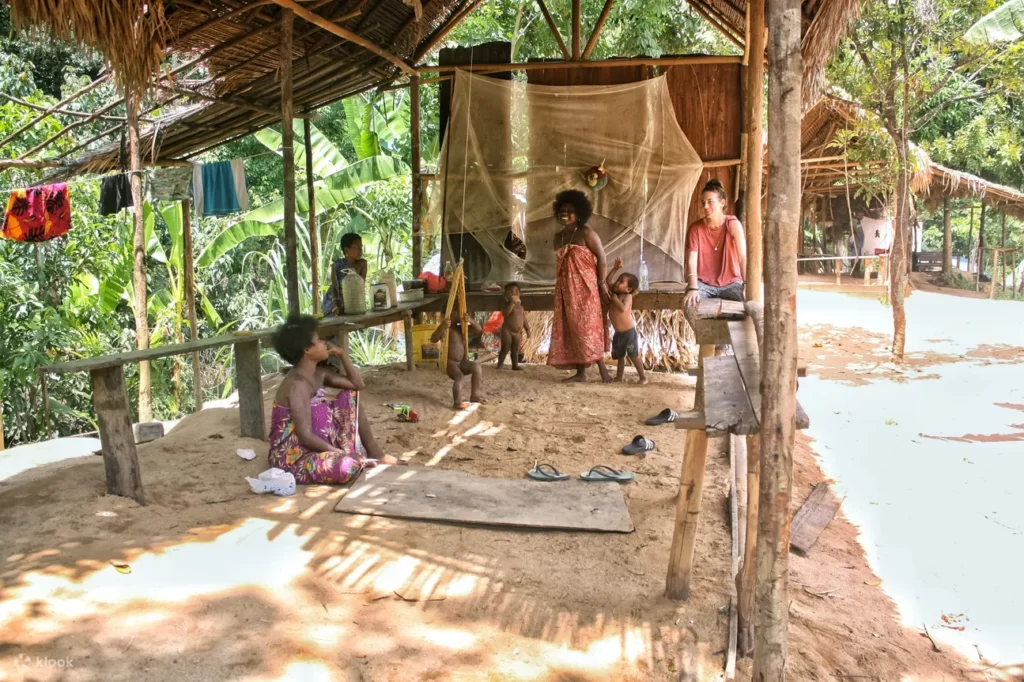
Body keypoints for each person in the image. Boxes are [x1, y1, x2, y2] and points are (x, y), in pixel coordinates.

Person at [268, 314, 396, 485]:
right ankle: (352, 458)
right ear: (307, 349)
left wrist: (342, 354)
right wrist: (342, 454)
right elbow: (305, 436)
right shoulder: (296, 385)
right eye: (319, 339)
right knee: (345, 467)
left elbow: (357, 385)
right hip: (295, 456)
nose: (325, 343)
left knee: (350, 396)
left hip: (317, 449)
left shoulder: (318, 374)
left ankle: (376, 454)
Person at [548, 190, 612, 383]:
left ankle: (603, 371)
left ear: (579, 214)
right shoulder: (557, 237)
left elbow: (601, 258)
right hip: (566, 290)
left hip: (587, 289)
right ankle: (581, 373)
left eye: (570, 210)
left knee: (590, 326)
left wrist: (601, 283)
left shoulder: (586, 233)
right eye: (562, 210)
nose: (565, 213)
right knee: (572, 328)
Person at [684, 178, 747, 308]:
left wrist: (747, 284)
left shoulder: (733, 224)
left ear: (722, 203)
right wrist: (693, 288)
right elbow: (691, 261)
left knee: (747, 305)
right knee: (689, 304)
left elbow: (743, 257)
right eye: (703, 202)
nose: (705, 206)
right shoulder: (695, 228)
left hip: (732, 284)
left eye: (710, 202)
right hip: (704, 284)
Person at [606, 257, 647, 384]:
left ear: (629, 289)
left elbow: (623, 309)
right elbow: (607, 281)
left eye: (621, 282)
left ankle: (643, 377)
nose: (617, 283)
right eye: (618, 280)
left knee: (633, 355)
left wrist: (614, 299)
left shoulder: (627, 296)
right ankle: (619, 377)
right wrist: (615, 268)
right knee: (620, 356)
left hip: (629, 333)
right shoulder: (616, 293)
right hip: (618, 333)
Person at [431, 315, 485, 408]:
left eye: (456, 312)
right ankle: (457, 402)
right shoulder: (445, 329)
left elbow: (479, 330)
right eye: (452, 313)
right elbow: (433, 339)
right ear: (446, 315)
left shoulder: (462, 328)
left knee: (477, 367)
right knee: (459, 377)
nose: (454, 316)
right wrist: (442, 327)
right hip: (450, 362)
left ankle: (474, 395)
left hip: (462, 361)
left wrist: (471, 320)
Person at [323, 233, 369, 315]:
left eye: (361, 246)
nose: (360, 250)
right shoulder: (336, 265)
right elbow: (334, 287)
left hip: (351, 301)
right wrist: (336, 306)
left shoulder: (362, 264)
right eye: (357, 247)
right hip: (334, 301)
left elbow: (361, 286)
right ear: (347, 250)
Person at [498, 282, 530, 370]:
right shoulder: (506, 304)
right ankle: (500, 364)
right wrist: (511, 303)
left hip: (517, 333)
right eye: (510, 291)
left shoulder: (521, 307)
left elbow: (524, 319)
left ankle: (515, 365)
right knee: (505, 348)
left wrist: (527, 329)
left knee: (515, 349)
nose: (514, 293)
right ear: (506, 294)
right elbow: (505, 314)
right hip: (507, 330)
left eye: (516, 291)